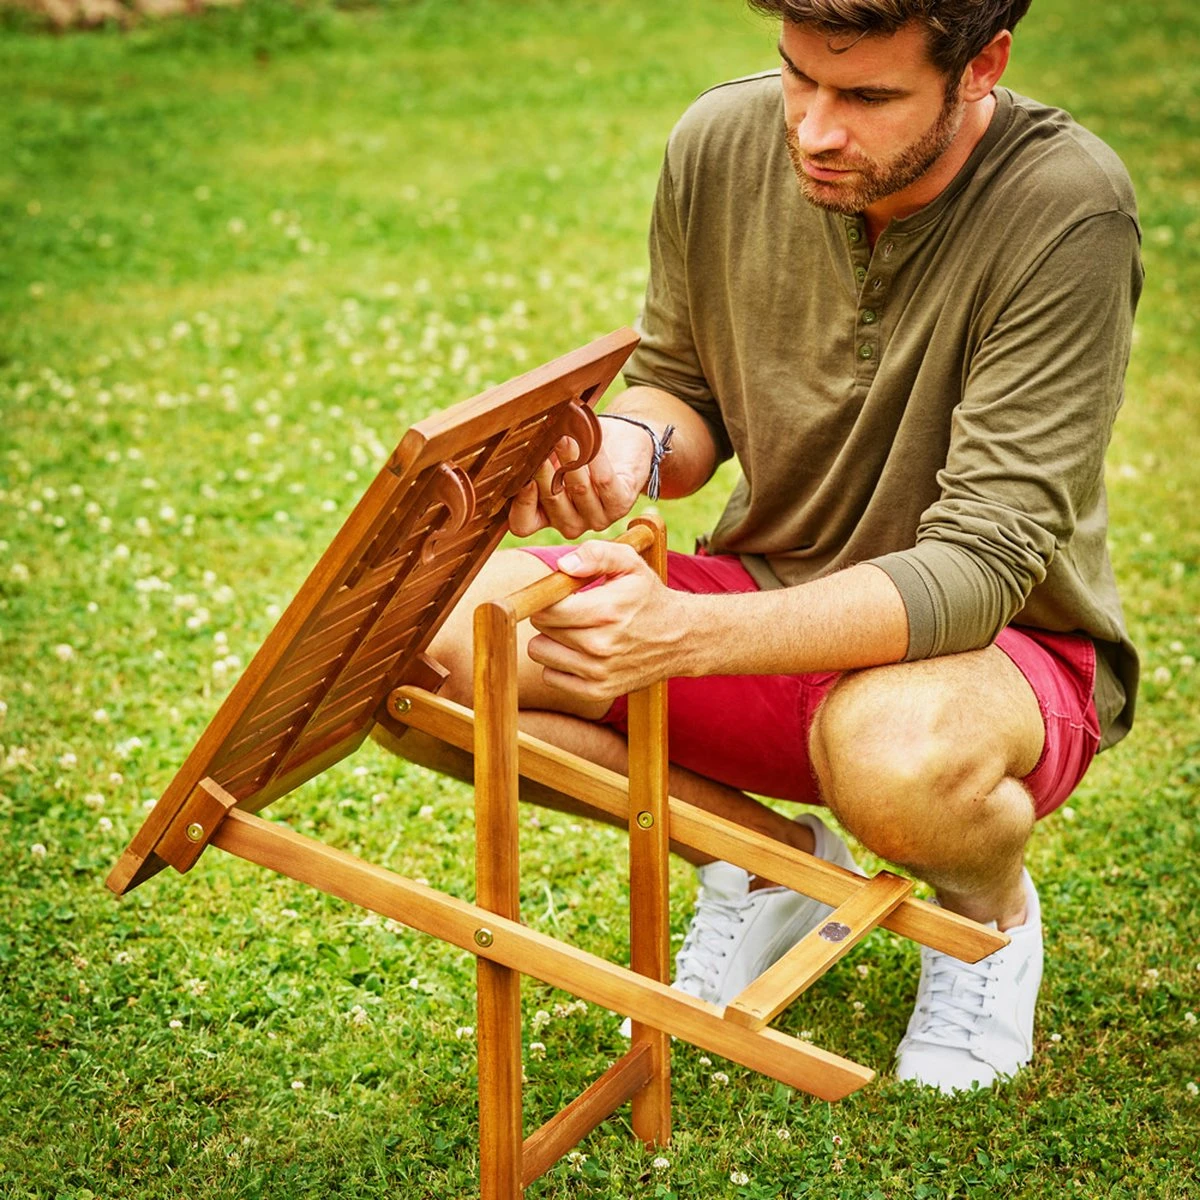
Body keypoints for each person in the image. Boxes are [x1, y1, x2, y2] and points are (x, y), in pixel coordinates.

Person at [392, 0, 1142, 1094]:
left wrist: (683, 634)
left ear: (982, 65)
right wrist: (631, 451)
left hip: (1000, 659)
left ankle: (986, 924)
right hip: (765, 597)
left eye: (869, 96)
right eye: (799, 78)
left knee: (894, 750)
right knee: (429, 644)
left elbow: (982, 567)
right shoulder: (722, 141)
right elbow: (684, 391)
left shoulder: (1068, 207)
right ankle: (767, 870)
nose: (815, 130)